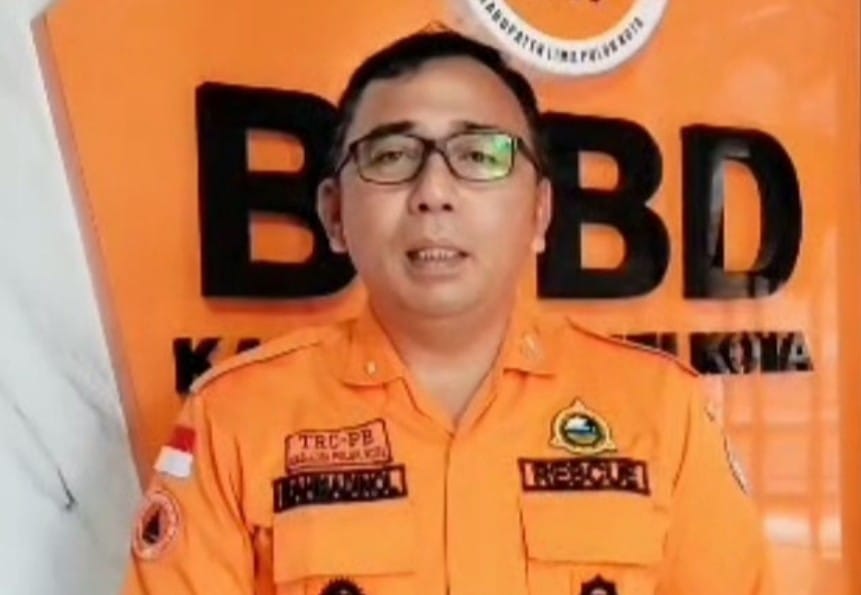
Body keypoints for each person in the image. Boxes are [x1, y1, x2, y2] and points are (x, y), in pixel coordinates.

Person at [121, 30, 775, 595]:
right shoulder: (235, 418)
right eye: (391, 156)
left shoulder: (661, 409)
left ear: (539, 213)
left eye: (479, 155)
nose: (433, 191)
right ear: (334, 214)